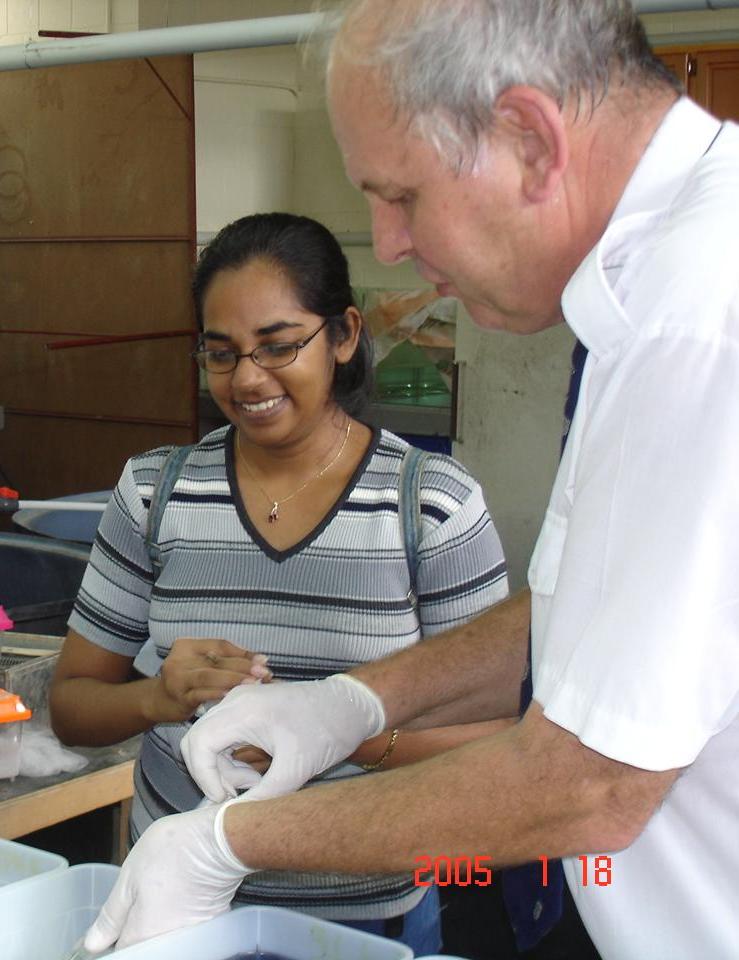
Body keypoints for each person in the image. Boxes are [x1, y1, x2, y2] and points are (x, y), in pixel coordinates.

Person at [81, 2, 739, 959]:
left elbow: (592, 783)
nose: (387, 243)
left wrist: (227, 844)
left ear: (528, 137)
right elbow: (606, 597)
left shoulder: (695, 320)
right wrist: (356, 700)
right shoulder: (662, 284)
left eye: (402, 195)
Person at [49, 211, 510, 956]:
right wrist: (157, 698)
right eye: (221, 353)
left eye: (279, 346)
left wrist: (332, 736)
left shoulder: (428, 505)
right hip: (178, 909)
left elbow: (497, 737)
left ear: (344, 336)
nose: (248, 379)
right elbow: (73, 708)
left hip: (360, 909)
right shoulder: (155, 494)